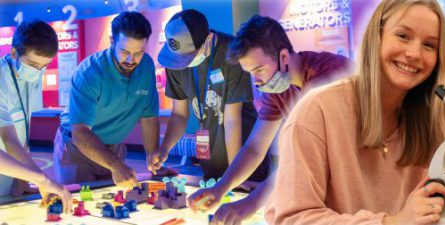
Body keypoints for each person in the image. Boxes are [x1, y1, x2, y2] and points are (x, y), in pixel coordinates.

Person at [265, 1, 445, 224]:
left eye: (429, 45)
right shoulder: (317, 112)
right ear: (377, 36)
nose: (414, 53)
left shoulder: (432, 121)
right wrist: (391, 222)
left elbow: (419, 213)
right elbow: (292, 218)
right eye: (403, 36)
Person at [184, 15, 352, 224]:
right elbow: (255, 148)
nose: (256, 81)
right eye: (250, 74)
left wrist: (251, 203)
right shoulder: (279, 88)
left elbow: (303, 162)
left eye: (259, 70)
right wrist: (220, 188)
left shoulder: (328, 78)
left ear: (283, 57)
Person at [156, 9, 272, 184]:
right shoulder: (175, 62)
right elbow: (179, 114)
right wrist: (164, 149)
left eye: (188, 57)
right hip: (210, 158)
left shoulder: (232, 53)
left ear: (208, 39)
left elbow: (232, 121)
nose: (183, 63)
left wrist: (235, 178)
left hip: (243, 160)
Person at [54, 12, 161, 189]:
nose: (131, 60)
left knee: (115, 204)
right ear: (112, 41)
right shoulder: (89, 73)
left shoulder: (146, 66)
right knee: (79, 205)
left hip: (114, 147)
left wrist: (153, 158)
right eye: (125, 51)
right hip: (76, 147)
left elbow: (149, 117)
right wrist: (116, 165)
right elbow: (80, 132)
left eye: (138, 53)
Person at [0, 20, 72, 213]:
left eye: (44, 66)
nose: (38, 72)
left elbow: (21, 133)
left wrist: (25, 176)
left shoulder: (33, 78)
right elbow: (9, 139)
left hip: (10, 174)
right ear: (14, 53)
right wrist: (40, 178)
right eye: (32, 64)